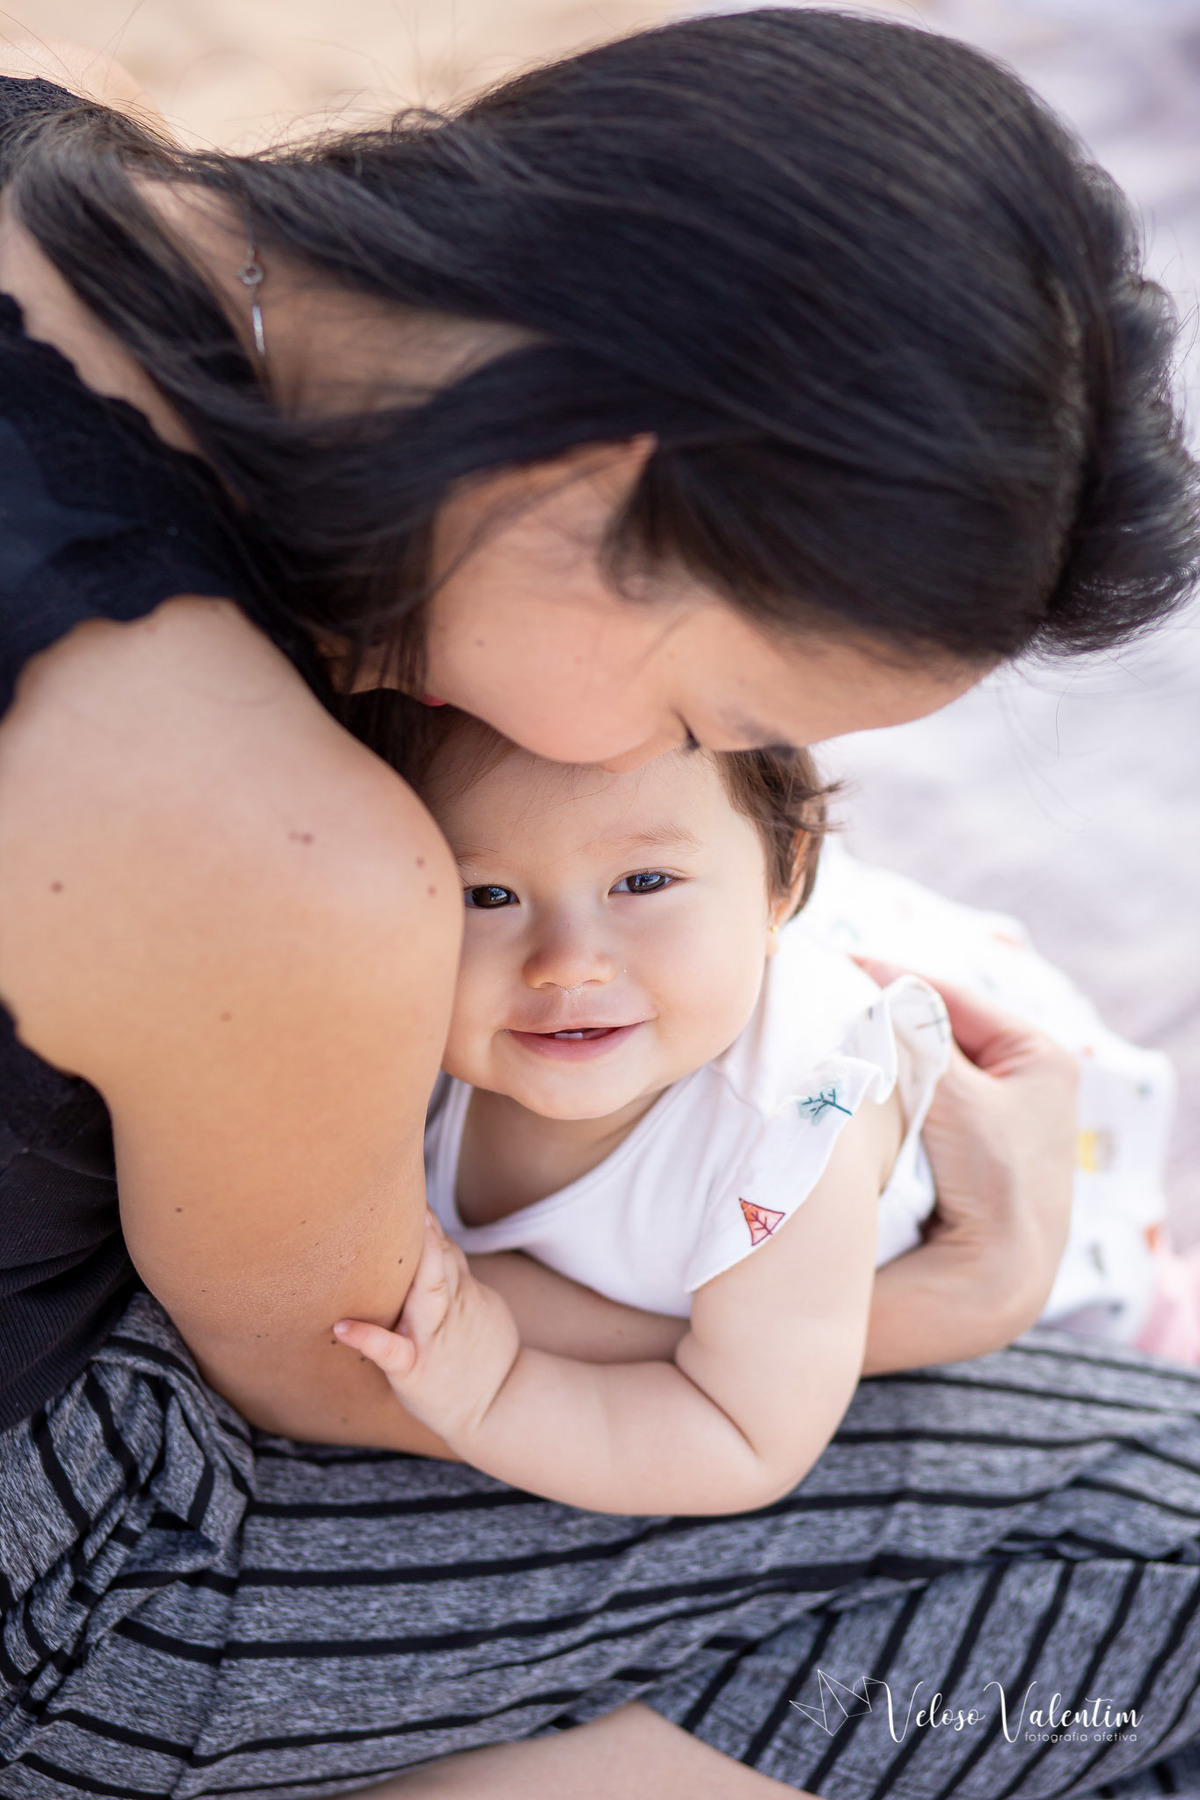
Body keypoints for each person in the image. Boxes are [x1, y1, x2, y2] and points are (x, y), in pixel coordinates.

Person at [0, 10, 1199, 1798]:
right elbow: (353, 1357)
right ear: (592, 477)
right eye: (713, 718)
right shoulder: (277, 847)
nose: (678, 770)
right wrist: (936, 1304)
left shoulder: (66, 153)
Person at [336, 712, 1179, 1515]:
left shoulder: (788, 1136)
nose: (567, 965)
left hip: (1066, 1220)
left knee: (1155, 1350)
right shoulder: (391, 1028)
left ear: (785, 886)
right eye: (485, 896)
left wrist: (493, 1391)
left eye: (643, 882)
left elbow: (742, 1435)